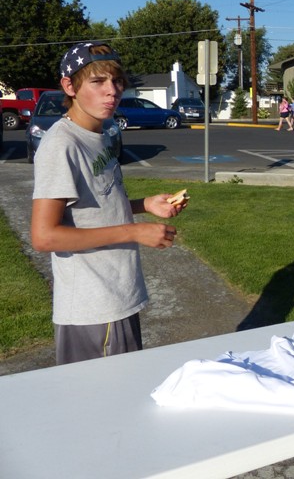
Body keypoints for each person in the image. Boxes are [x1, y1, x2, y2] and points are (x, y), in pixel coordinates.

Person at [30, 42, 187, 365]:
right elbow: (44, 236)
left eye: (116, 82)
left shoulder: (100, 135)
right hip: (92, 310)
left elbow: (94, 207)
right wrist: (134, 231)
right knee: (96, 409)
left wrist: (144, 204)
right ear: (69, 86)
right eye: (97, 82)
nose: (111, 91)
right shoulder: (61, 145)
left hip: (117, 297)